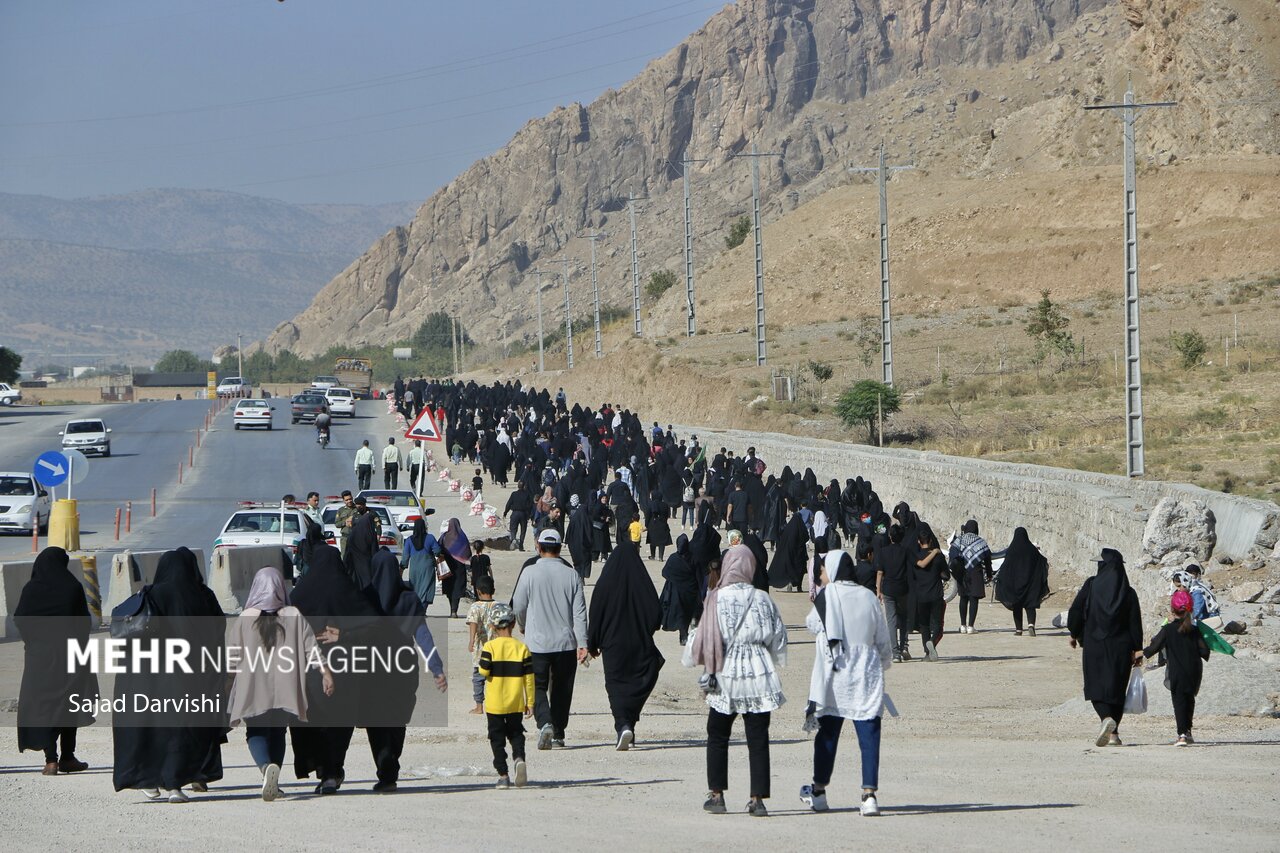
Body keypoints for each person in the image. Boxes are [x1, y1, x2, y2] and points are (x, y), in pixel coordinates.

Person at [113, 547, 226, 802]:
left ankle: (150, 780)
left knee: (155, 729)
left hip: (155, 678)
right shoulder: (205, 595)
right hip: (193, 675)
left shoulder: (153, 594)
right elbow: (217, 634)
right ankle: (174, 784)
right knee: (182, 729)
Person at [688, 544, 787, 818]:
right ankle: (758, 799)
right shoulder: (763, 599)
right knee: (758, 737)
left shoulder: (716, 598)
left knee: (718, 733)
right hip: (757, 672)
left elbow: (703, 638)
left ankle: (717, 794)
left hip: (726, 671)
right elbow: (778, 638)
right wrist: (766, 655)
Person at [227, 567, 334, 801]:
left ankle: (266, 768)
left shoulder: (246, 618)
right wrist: (325, 672)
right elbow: (311, 648)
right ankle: (274, 777)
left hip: (253, 688)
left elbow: (232, 657)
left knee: (255, 731)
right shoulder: (293, 615)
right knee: (278, 732)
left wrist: (227, 682)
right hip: (286, 688)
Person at [800, 551, 892, 818]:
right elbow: (883, 642)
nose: (821, 575)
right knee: (869, 735)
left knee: (827, 734)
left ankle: (818, 792)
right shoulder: (869, 597)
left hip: (835, 674)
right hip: (865, 673)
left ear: (833, 570)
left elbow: (812, 624)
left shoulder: (828, 596)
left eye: (823, 570)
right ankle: (869, 795)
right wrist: (881, 665)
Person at [288, 545, 380, 795]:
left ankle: (322, 768)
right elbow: (374, 626)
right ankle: (332, 771)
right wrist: (345, 634)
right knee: (340, 721)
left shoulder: (301, 593)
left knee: (312, 719)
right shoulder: (347, 590)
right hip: (345, 669)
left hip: (309, 670)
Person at [14, 547, 98, 776]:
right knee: (70, 703)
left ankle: (51, 760)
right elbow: (84, 623)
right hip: (70, 656)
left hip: (39, 658)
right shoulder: (72, 587)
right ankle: (68, 757)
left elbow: (20, 619)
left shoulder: (31, 589)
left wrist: (35, 643)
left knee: (47, 706)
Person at [511, 529, 589, 750]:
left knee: (537, 685)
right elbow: (580, 613)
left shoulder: (529, 572)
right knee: (562, 689)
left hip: (537, 642)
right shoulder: (571, 574)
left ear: (539, 547)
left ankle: (544, 722)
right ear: (559, 547)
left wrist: (523, 624)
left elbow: (518, 605)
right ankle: (559, 732)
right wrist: (582, 643)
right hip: (565, 643)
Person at [587, 544, 665, 750]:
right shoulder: (642, 582)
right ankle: (628, 724)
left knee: (616, 685)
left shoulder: (605, 583)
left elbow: (596, 613)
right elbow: (656, 613)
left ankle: (623, 724)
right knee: (638, 681)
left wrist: (592, 643)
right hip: (638, 641)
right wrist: (645, 628)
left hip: (612, 643)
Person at [1068, 548, 1143, 747]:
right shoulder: (1128, 592)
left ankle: (1105, 719)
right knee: (1117, 689)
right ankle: (1114, 734)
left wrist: (1074, 633)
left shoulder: (1091, 585)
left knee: (1095, 687)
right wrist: (1137, 649)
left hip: (1095, 645)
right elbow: (1135, 623)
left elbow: (1076, 611)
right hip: (1121, 647)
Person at [1143, 589, 1211, 746]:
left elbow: (1153, 648)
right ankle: (1188, 731)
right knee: (1189, 699)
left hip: (1177, 671)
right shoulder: (1195, 630)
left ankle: (1181, 735)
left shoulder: (1168, 630)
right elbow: (1204, 652)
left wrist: (1137, 656)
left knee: (1179, 701)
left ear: (1172, 610)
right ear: (1190, 610)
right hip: (1194, 671)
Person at [479, 603, 534, 789]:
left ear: (493, 627)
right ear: (512, 625)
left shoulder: (489, 647)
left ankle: (503, 775)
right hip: (516, 702)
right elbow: (529, 678)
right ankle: (519, 758)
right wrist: (531, 702)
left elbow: (484, 671)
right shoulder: (522, 648)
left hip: (495, 704)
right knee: (516, 733)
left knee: (496, 739)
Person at [994, 527, 1051, 636]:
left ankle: (1018, 630)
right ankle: (1031, 625)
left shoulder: (1012, 549)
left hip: (1015, 585)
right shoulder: (1032, 549)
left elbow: (1006, 567)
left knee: (1017, 606)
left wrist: (1002, 581)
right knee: (1030, 605)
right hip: (1030, 584)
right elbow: (1042, 561)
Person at [873, 525, 912, 663]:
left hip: (888, 589)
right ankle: (903, 647)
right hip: (903, 588)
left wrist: (878, 590)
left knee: (891, 620)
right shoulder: (906, 551)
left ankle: (895, 653)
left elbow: (879, 572)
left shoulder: (883, 552)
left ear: (890, 536)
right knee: (904, 619)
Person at [948, 520, 991, 634]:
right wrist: (989, 574)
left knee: (963, 598)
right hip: (976, 573)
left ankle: (962, 625)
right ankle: (971, 626)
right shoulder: (981, 542)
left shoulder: (959, 540)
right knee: (974, 599)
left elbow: (952, 554)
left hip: (962, 573)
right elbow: (987, 559)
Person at [467, 575, 500, 715]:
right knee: (496, 679)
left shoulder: (475, 607)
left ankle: (479, 707)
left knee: (478, 679)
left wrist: (471, 640)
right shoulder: (499, 606)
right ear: (493, 589)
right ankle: (497, 705)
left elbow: (473, 622)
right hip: (497, 650)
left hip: (481, 651)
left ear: (478, 591)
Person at [912, 525, 947, 662]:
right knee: (938, 625)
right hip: (936, 595)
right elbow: (946, 575)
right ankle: (932, 642)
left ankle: (927, 653)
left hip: (921, 595)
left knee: (924, 625)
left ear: (919, 542)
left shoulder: (915, 557)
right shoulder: (938, 557)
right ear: (931, 542)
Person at [659, 534, 701, 644]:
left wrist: (675, 579)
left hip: (677, 592)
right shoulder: (693, 558)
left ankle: (683, 635)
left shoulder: (673, 558)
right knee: (688, 614)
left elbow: (665, 573)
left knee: (681, 614)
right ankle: (685, 635)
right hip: (690, 592)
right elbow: (698, 575)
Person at [400, 517, 441, 610]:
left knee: (415, 587)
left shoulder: (409, 540)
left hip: (414, 567)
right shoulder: (430, 538)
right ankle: (423, 608)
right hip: (427, 566)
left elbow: (405, 556)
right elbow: (437, 551)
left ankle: (416, 609)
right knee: (427, 586)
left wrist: (402, 566)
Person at [439, 517, 472, 618]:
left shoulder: (444, 537)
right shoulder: (462, 537)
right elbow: (468, 553)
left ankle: (452, 610)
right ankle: (454, 610)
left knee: (450, 589)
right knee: (457, 589)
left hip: (447, 568)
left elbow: (437, 548)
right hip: (459, 568)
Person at [564, 493, 593, 580]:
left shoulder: (574, 519)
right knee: (584, 560)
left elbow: (569, 531)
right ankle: (582, 576)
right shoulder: (587, 520)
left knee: (576, 562)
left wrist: (566, 541)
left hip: (574, 545)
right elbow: (590, 533)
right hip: (585, 545)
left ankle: (578, 576)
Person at [503, 483, 533, 550]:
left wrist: (505, 512)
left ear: (518, 486)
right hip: (523, 514)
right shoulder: (527, 494)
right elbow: (530, 505)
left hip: (515, 513)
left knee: (513, 528)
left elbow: (509, 503)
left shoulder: (514, 494)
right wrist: (529, 515)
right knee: (523, 530)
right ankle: (521, 545)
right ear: (524, 486)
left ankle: (513, 539)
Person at [335, 490, 357, 555]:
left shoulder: (357, 508)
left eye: (350, 499)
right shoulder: (341, 510)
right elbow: (337, 524)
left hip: (356, 537)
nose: (349, 501)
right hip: (345, 538)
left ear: (352, 498)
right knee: (344, 557)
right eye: (346, 500)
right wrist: (345, 522)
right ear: (343, 500)